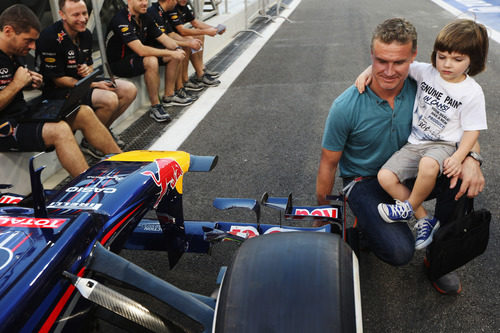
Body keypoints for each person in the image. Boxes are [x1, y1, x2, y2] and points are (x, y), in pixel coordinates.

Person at [316, 18, 485, 295]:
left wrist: (473, 160)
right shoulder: (345, 106)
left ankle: (440, 258)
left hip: (412, 168)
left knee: (460, 184)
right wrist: (321, 214)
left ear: (413, 58)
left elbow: (464, 128)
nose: (390, 71)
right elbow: (328, 163)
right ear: (371, 56)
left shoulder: (425, 85)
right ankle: (370, 223)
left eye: (399, 62)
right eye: (381, 61)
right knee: (399, 251)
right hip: (365, 179)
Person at [354, 19, 488, 250]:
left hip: (443, 144)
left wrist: (459, 157)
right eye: (442, 56)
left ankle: (408, 210)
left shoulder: (472, 92)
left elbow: (472, 130)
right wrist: (369, 70)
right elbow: (396, 66)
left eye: (457, 60)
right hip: (415, 142)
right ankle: (424, 218)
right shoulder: (427, 71)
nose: (447, 64)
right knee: (385, 176)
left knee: (429, 165)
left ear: (472, 61)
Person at [0, 4, 121, 177]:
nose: (33, 47)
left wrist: (30, 81)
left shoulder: (13, 53)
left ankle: (123, 163)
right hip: (5, 126)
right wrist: (17, 84)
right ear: (8, 31)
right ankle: (87, 187)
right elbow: (10, 87)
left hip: (21, 114)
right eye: (28, 40)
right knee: (60, 130)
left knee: (83, 112)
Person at [36, 0, 137, 158]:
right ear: (62, 15)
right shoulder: (50, 37)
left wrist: (87, 70)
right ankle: (94, 140)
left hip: (83, 84)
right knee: (109, 99)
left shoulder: (86, 34)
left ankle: (95, 137)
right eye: (76, 14)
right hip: (59, 91)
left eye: (84, 13)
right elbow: (58, 80)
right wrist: (94, 83)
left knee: (129, 90)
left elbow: (89, 65)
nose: (83, 19)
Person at [106, 0, 190, 123]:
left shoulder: (145, 16)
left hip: (136, 57)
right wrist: (171, 52)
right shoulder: (121, 19)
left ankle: (169, 96)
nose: (145, 3)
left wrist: (177, 49)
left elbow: (163, 38)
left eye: (146, 0)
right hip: (119, 63)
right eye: (140, 0)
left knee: (174, 56)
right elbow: (141, 50)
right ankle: (156, 106)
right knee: (151, 60)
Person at [147, 0, 203, 101]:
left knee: (183, 46)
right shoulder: (153, 12)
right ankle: (173, 92)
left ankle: (183, 85)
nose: (176, 2)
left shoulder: (162, 12)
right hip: (152, 48)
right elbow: (164, 38)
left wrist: (188, 42)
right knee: (177, 52)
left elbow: (171, 34)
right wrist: (186, 43)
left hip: (160, 44)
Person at [165, 0, 223, 89]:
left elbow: (195, 22)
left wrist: (215, 29)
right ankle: (187, 79)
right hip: (169, 38)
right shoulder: (171, 7)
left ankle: (201, 70)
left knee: (199, 35)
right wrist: (207, 31)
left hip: (176, 36)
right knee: (190, 41)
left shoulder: (183, 5)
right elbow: (182, 31)